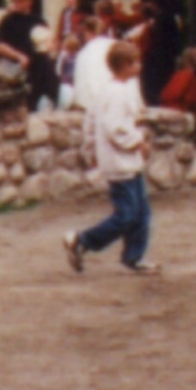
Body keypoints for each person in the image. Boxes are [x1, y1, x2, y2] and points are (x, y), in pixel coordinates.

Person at [63, 36, 159, 275]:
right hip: (120, 162)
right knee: (127, 215)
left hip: (125, 163)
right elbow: (115, 128)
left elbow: (92, 120)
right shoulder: (116, 93)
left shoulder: (110, 90)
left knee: (141, 213)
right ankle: (82, 240)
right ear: (125, 65)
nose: (140, 66)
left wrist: (90, 148)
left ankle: (134, 256)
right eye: (136, 62)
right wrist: (138, 142)